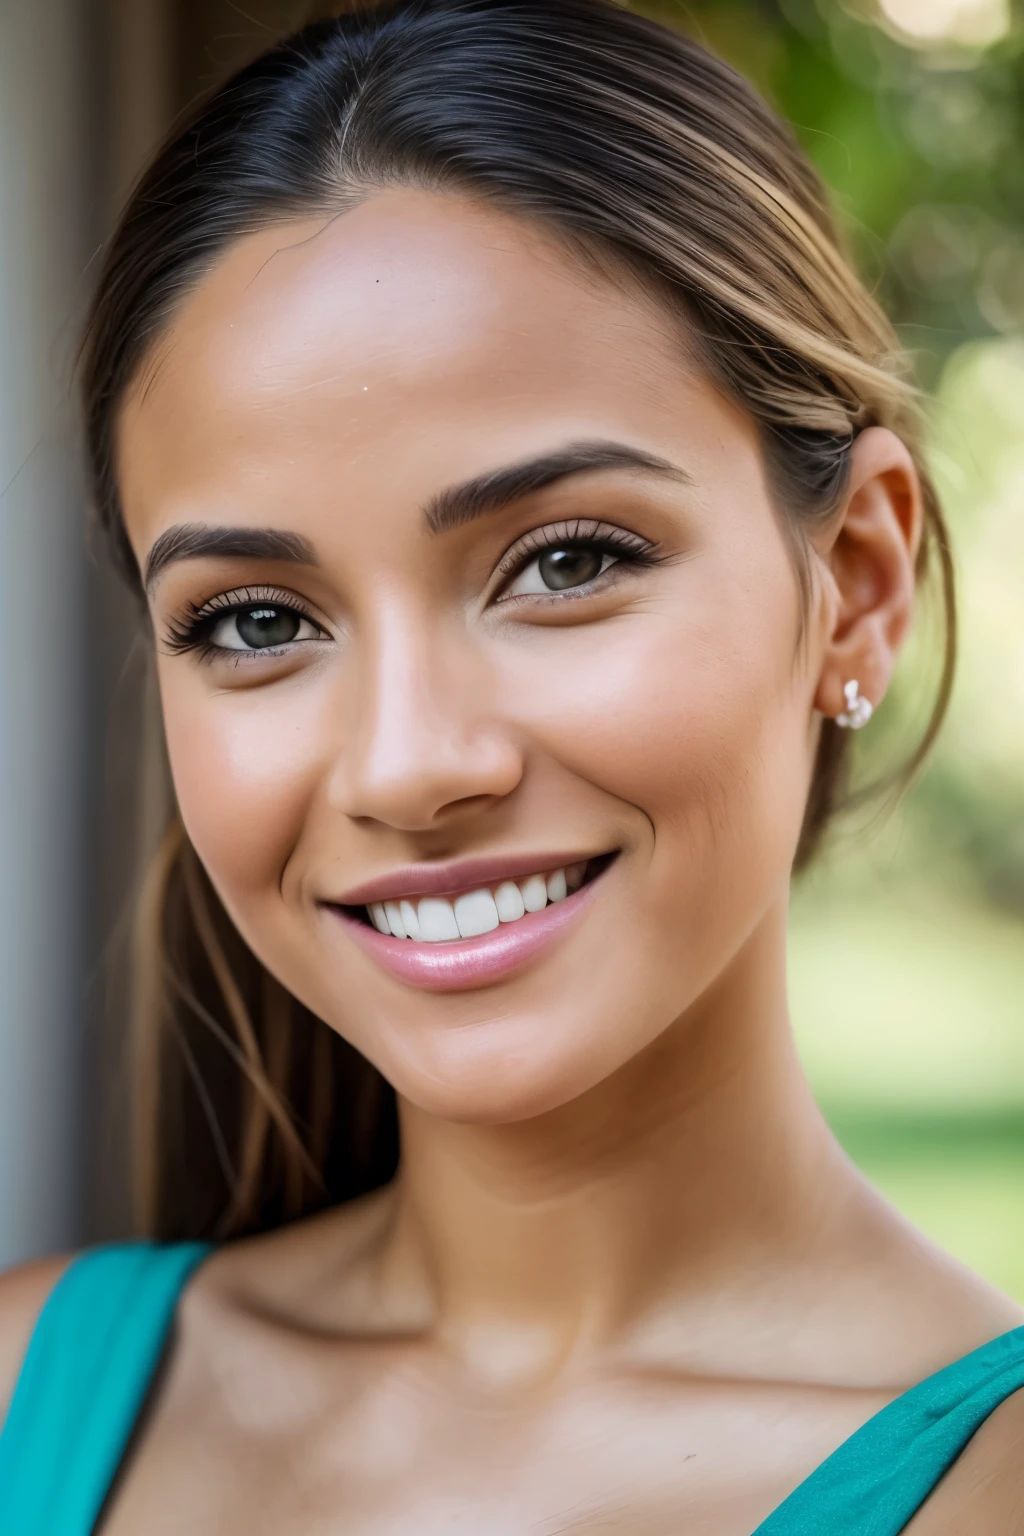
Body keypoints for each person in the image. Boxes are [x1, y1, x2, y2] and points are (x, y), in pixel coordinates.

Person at [1, 1, 1022, 1530]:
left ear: (857, 583)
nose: (410, 767)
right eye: (258, 619)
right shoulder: (23, 1389)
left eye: (563, 563)